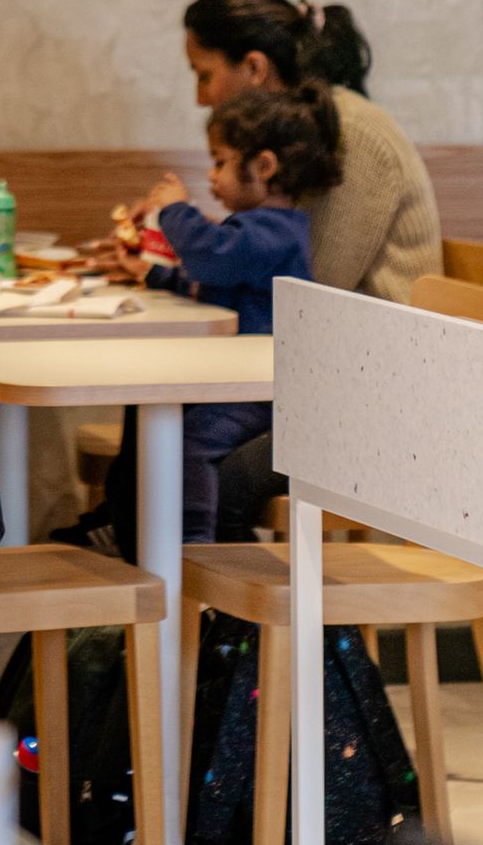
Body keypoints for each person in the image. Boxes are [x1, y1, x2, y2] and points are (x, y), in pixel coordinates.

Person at [100, 80, 342, 536]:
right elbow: (214, 283)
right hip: (240, 375)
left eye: (220, 162)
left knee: (193, 441)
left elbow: (212, 257)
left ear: (264, 166)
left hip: (265, 387)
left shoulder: (274, 231)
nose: (212, 176)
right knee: (155, 412)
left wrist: (175, 210)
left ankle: (195, 546)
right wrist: (150, 273)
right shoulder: (255, 229)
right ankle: (140, 531)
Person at [180, 0, 442, 302]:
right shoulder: (293, 131)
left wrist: (189, 245)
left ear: (254, 67)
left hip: (378, 333)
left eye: (204, 76)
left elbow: (306, 295)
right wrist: (174, 244)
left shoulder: (349, 130)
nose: (199, 98)